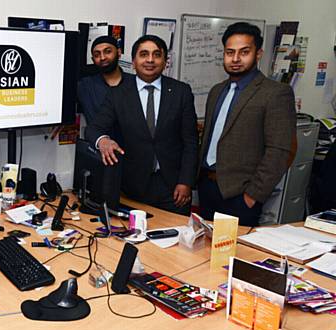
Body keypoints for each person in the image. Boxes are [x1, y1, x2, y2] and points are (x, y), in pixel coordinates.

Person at [86, 35, 198, 215]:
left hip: (174, 188)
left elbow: (190, 142)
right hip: (134, 187)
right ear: (133, 61)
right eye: (144, 54)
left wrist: (186, 182)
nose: (150, 60)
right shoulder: (118, 95)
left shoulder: (181, 92)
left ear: (165, 61)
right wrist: (103, 141)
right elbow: (93, 129)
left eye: (156, 54)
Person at [198, 22, 296, 225]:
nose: (235, 59)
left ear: (258, 53)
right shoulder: (217, 90)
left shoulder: (275, 93)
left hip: (240, 195)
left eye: (244, 52)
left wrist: (252, 196)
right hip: (207, 189)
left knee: (235, 255)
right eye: (229, 52)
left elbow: (279, 151)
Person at [77, 36, 124, 124]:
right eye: (97, 55)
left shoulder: (135, 83)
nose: (102, 58)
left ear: (119, 52)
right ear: (93, 60)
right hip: (97, 136)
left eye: (108, 51)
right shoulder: (85, 86)